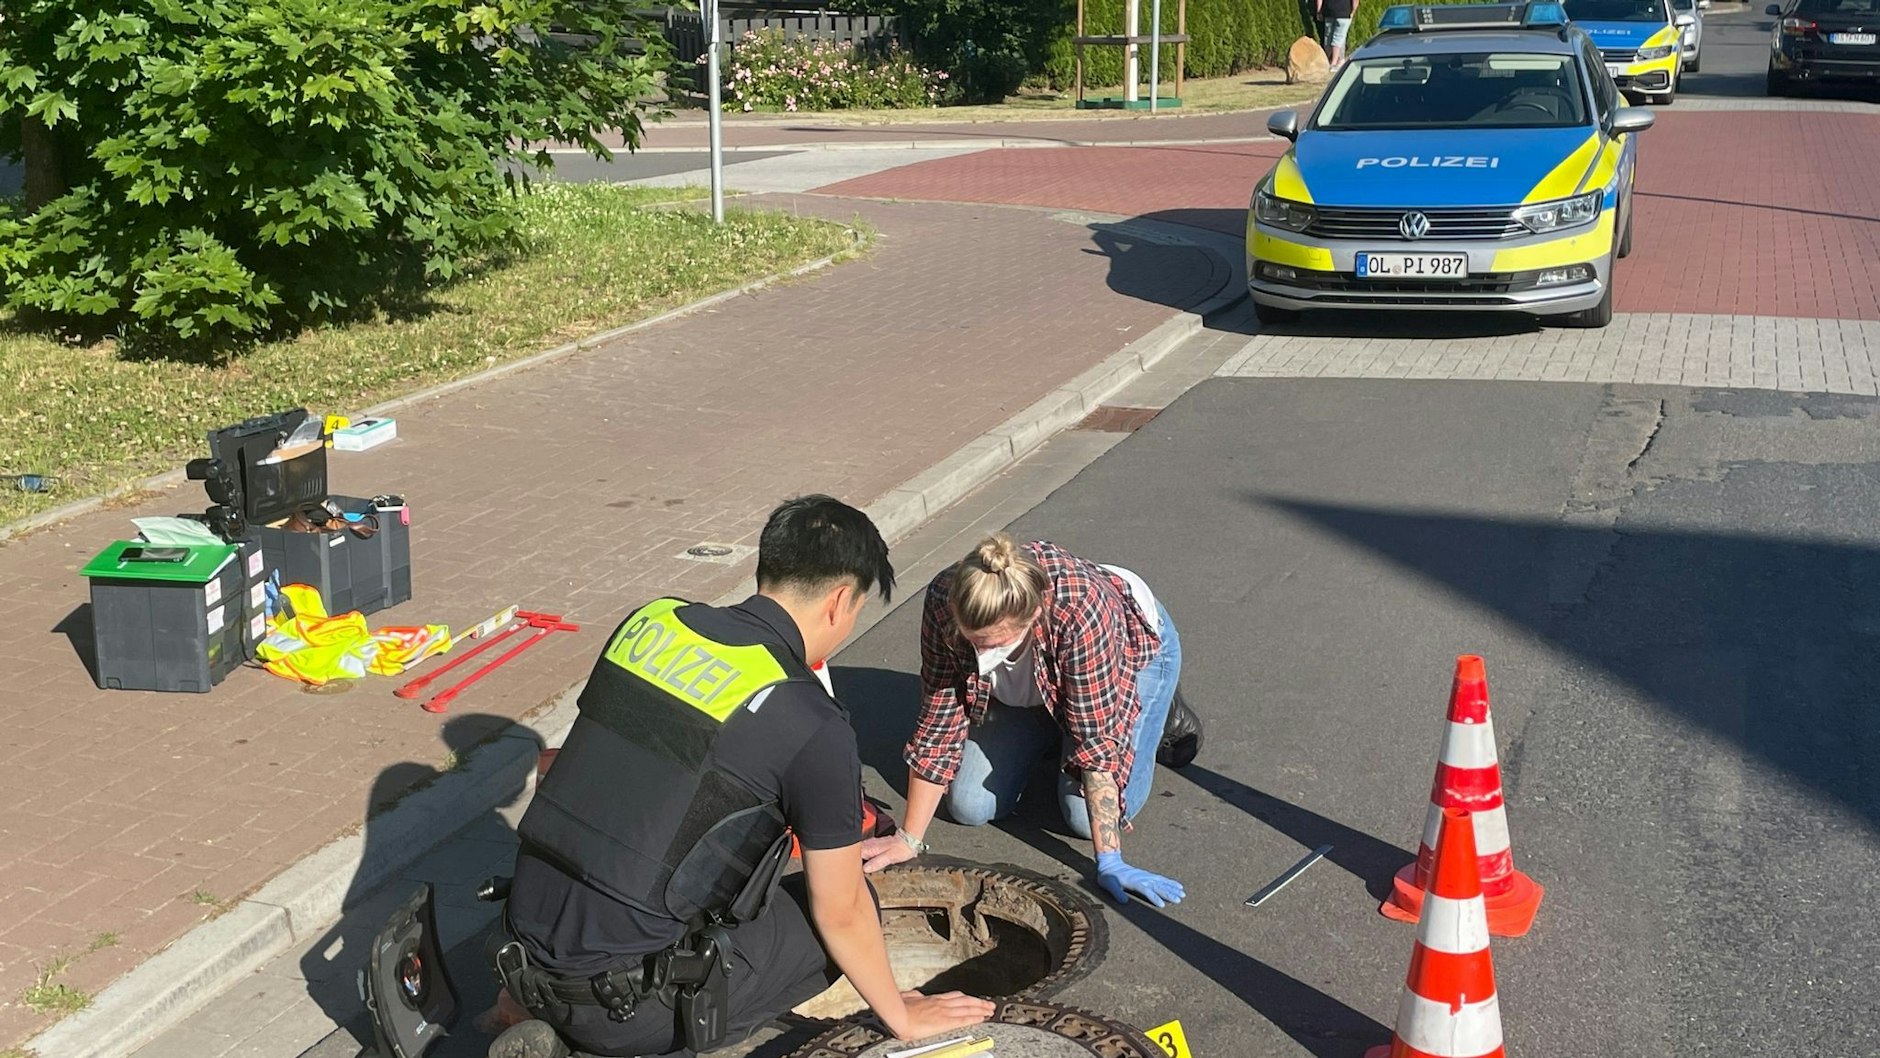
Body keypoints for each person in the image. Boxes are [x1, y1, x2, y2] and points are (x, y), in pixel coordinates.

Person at [488, 496, 995, 1058]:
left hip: (518, 948)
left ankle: (524, 1003)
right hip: (624, 1009)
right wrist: (903, 1014)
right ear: (839, 601)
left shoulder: (651, 625)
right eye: (856, 612)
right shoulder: (812, 722)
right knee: (851, 909)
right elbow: (841, 908)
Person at [860, 534, 1197, 909]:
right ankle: (1055, 717)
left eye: (995, 643)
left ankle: (1156, 706)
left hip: (1126, 648)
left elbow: (1098, 745)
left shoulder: (1081, 609)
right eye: (974, 641)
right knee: (971, 805)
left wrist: (1110, 861)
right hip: (1034, 676)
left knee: (1084, 820)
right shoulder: (944, 596)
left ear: (1033, 615)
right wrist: (908, 838)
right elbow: (940, 715)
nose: (982, 655)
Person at [1318, 0, 1359, 68]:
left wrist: (1319, 11)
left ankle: (1330, 60)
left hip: (1329, 11)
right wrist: (1353, 11)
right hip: (1344, 12)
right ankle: (1334, 63)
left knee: (1328, 37)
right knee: (1338, 38)